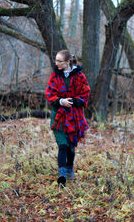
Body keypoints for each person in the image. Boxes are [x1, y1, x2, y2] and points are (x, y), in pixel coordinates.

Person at [45, 50, 90, 187]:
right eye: (56, 60)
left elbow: (85, 93)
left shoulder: (80, 77)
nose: (56, 63)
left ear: (67, 62)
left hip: (74, 117)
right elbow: (49, 93)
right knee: (62, 145)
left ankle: (70, 169)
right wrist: (60, 101)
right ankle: (62, 175)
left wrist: (73, 101)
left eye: (59, 61)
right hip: (58, 117)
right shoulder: (54, 76)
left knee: (71, 146)